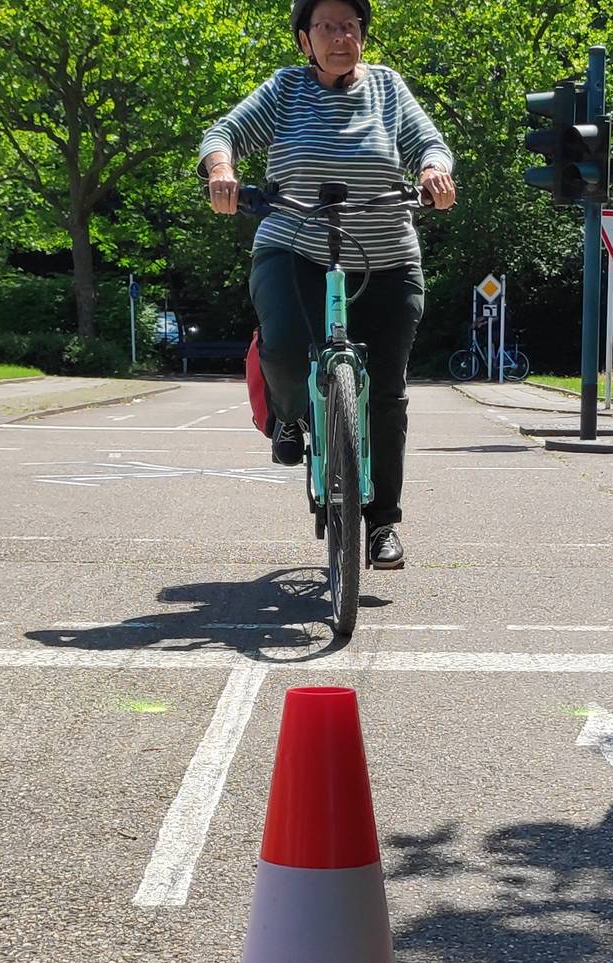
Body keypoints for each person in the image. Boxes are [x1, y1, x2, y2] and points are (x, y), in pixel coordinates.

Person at [201, 0, 456, 572]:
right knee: (287, 344)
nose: (340, 36)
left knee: (387, 394)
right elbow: (224, 133)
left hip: (386, 256)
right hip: (294, 244)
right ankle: (290, 414)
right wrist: (222, 171)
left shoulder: (388, 89)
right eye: (326, 27)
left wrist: (433, 171)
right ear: (304, 40)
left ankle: (383, 521)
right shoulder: (286, 89)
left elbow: (429, 144)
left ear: (362, 34)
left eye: (350, 26)